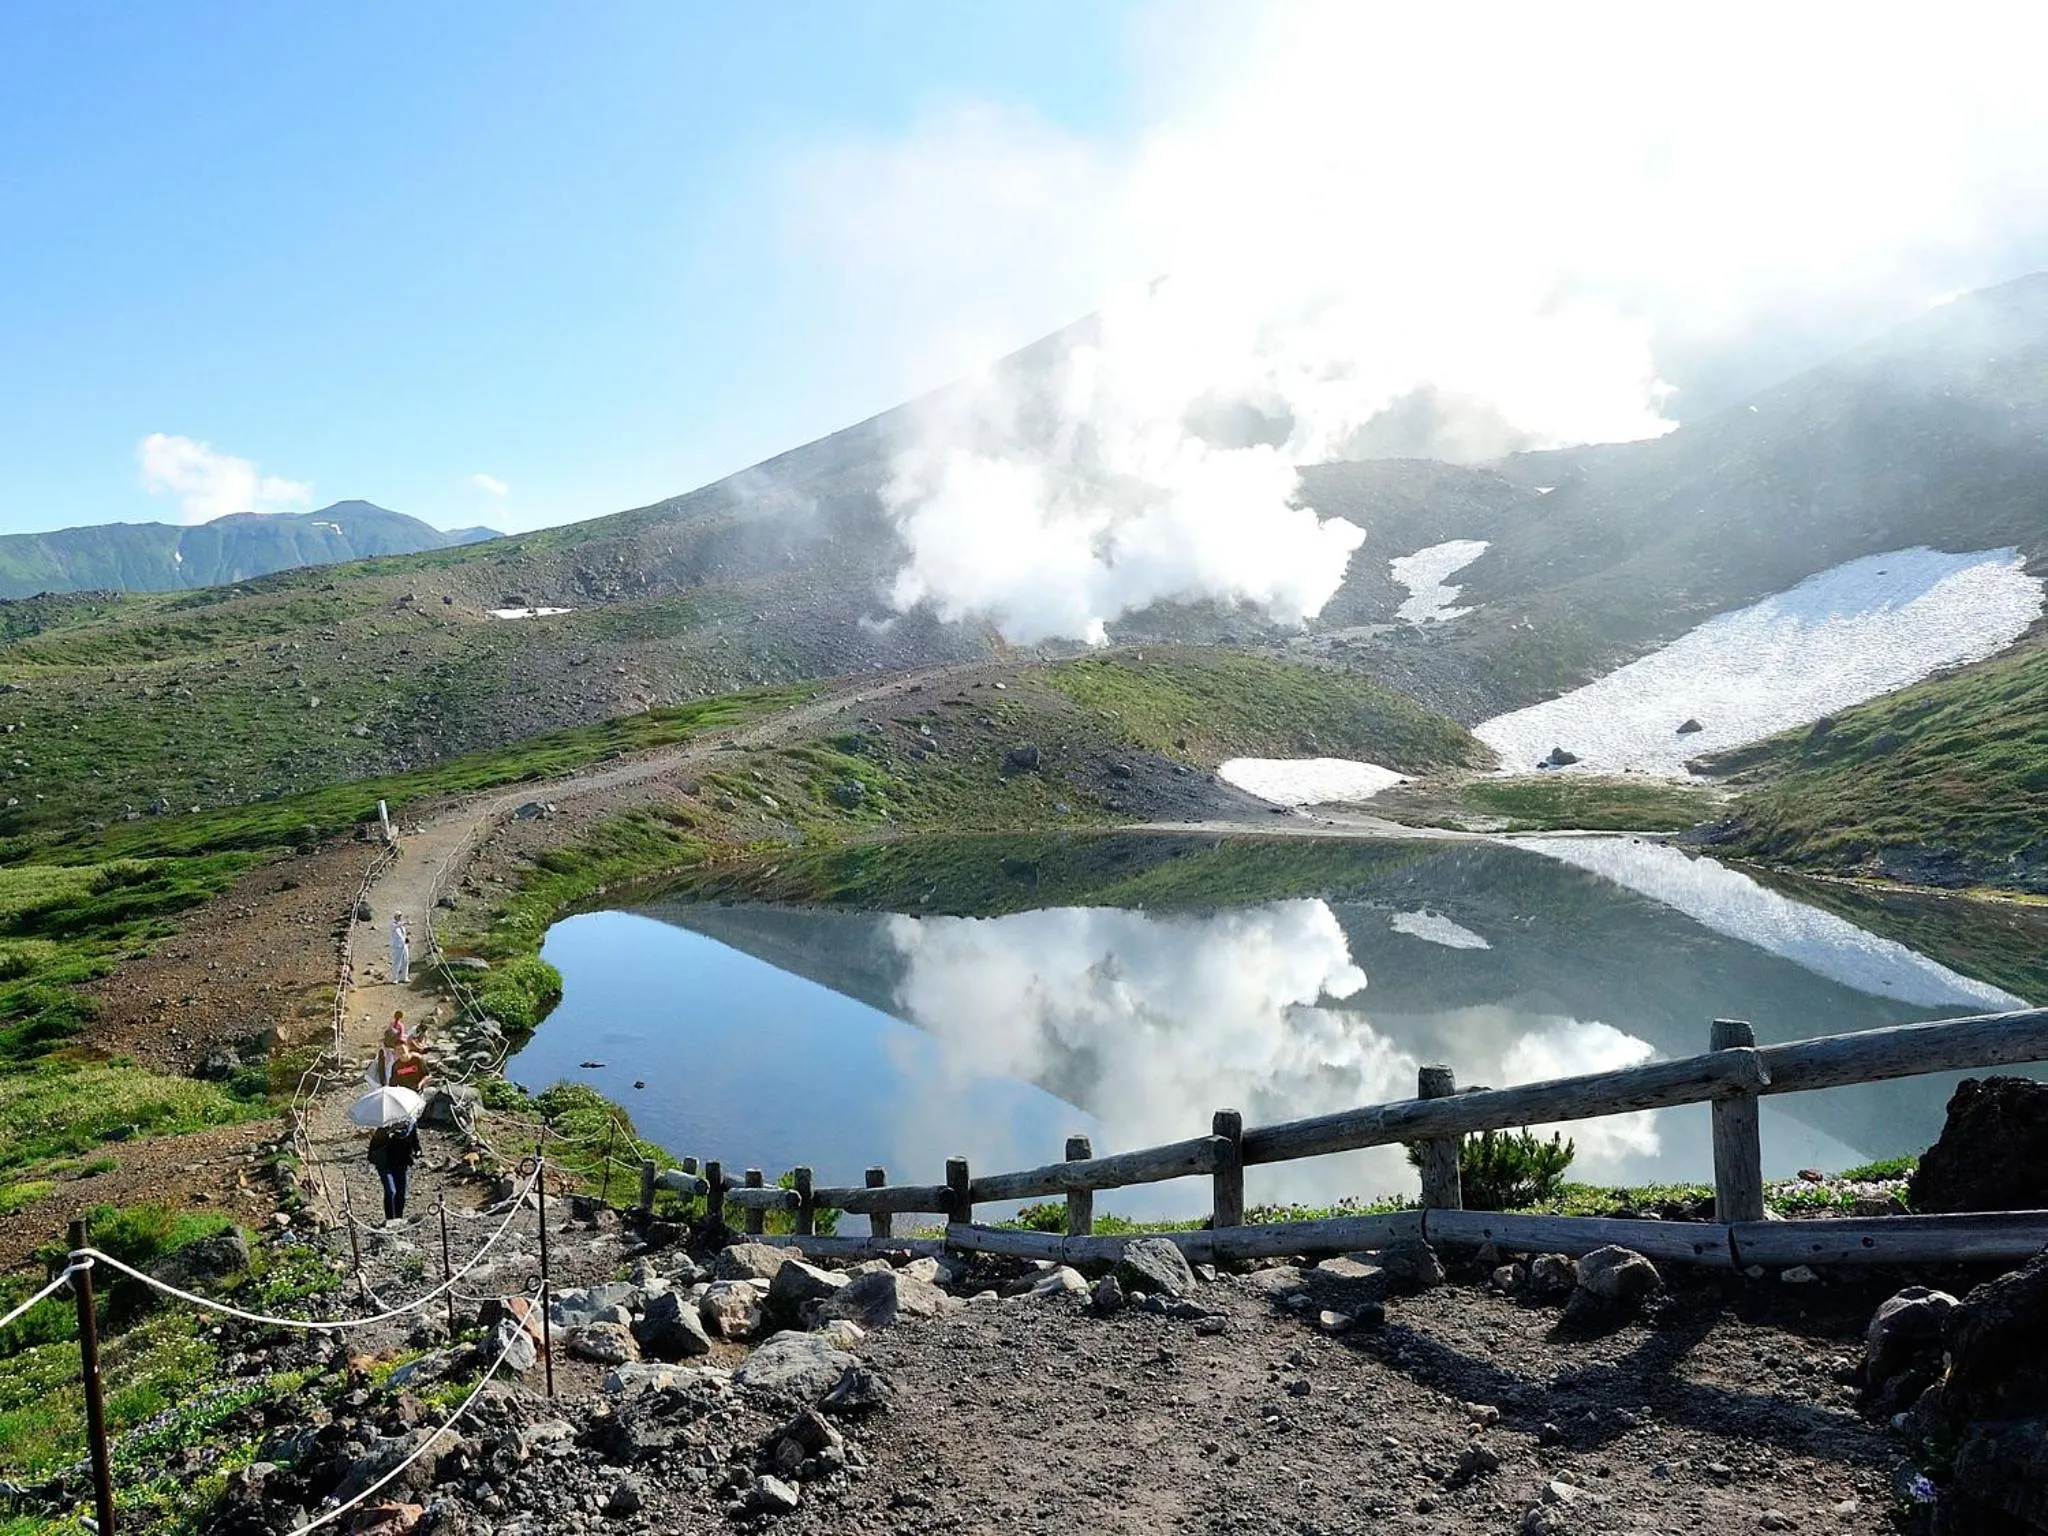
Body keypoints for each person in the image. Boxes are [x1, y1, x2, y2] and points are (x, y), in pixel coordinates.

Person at [367, 1117, 420, 1222]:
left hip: (401, 1163)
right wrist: (388, 1134)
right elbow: (373, 1150)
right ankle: (390, 1220)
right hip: (385, 1165)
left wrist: (417, 1152)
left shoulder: (411, 1126)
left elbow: (416, 1144)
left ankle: (398, 1219)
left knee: (401, 1194)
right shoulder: (384, 1128)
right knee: (391, 1192)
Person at [389, 912, 411, 984]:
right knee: (397, 962)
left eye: (401, 916)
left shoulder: (401, 926)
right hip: (397, 946)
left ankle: (404, 977)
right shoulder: (393, 924)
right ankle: (394, 978)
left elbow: (403, 934)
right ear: (395, 917)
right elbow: (397, 926)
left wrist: (406, 938)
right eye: (399, 916)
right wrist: (405, 922)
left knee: (406, 961)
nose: (400, 917)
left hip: (404, 945)